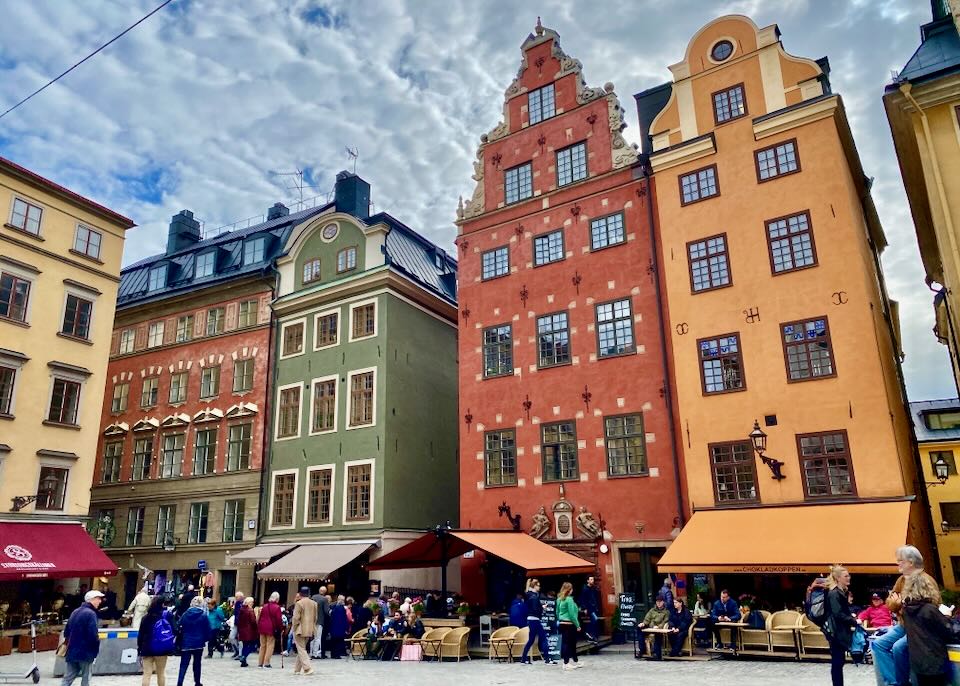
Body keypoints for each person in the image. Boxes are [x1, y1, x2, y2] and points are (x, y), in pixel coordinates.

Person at [874, 545, 939, 686]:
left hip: (917, 628)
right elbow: (890, 603)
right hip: (903, 625)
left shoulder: (926, 580)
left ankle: (903, 682)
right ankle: (893, 682)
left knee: (898, 648)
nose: (898, 563)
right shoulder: (901, 580)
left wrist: (900, 605)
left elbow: (930, 607)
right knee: (878, 644)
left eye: (900, 560)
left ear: (910, 562)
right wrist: (898, 605)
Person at [901, 571, 952, 686]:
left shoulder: (906, 610)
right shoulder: (929, 610)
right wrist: (947, 616)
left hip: (918, 662)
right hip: (935, 662)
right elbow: (948, 632)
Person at [61, 589, 104, 686]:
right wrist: (95, 650)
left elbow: (66, 632)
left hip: (72, 650)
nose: (100, 601)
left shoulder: (75, 611)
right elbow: (93, 635)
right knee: (86, 678)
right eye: (98, 599)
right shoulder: (91, 614)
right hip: (86, 652)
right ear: (91, 600)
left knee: (68, 678)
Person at [823, 565, 857, 686]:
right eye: (846, 576)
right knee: (837, 661)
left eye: (849, 575)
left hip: (838, 631)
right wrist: (853, 620)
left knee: (839, 661)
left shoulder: (840, 592)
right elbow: (837, 614)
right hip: (835, 632)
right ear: (838, 578)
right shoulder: (834, 593)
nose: (849, 577)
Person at [138, 596, 175, 686]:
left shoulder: (145, 618)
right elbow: (174, 630)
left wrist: (139, 648)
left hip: (147, 648)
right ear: (162, 604)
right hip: (161, 648)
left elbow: (141, 635)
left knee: (147, 674)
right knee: (161, 673)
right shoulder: (166, 616)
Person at [175, 596, 210, 686]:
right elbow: (207, 629)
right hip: (198, 642)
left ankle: (180, 682)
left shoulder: (185, 614)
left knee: (183, 664)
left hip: (186, 642)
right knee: (197, 663)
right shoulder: (203, 615)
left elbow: (179, 625)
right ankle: (197, 682)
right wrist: (204, 639)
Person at [520, 578, 555, 665]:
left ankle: (524, 659)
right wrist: (542, 608)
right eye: (538, 585)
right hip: (535, 619)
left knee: (531, 640)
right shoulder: (534, 596)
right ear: (534, 586)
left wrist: (541, 607)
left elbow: (531, 607)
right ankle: (547, 659)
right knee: (543, 638)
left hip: (530, 619)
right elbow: (535, 609)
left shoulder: (528, 594)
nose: (539, 587)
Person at [556, 582, 582, 671]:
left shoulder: (559, 599)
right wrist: (577, 625)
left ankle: (568, 661)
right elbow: (572, 614)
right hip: (569, 624)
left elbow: (557, 612)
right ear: (569, 590)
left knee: (565, 643)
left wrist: (560, 619)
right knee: (569, 643)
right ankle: (566, 663)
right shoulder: (569, 600)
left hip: (562, 623)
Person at [292, 587, 317, 675]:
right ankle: (297, 670)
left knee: (301, 649)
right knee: (301, 648)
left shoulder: (299, 603)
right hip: (309, 629)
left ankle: (307, 668)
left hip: (300, 629)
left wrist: (294, 628)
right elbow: (315, 618)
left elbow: (295, 618)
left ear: (300, 594)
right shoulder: (314, 603)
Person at [636, 596, 670, 660]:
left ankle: (657, 654)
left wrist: (659, 627)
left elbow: (665, 621)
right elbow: (647, 619)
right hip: (650, 627)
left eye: (660, 602)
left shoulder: (666, 612)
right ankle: (642, 649)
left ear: (663, 602)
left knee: (658, 634)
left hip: (659, 629)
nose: (658, 603)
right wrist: (643, 623)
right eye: (657, 602)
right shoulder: (652, 610)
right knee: (639, 629)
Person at [257, 592, 283, 668]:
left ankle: (260, 663)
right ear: (277, 599)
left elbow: (260, 617)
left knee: (262, 646)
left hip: (262, 628)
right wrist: (280, 628)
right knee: (270, 645)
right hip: (271, 628)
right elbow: (279, 620)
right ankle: (266, 662)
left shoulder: (264, 606)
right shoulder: (277, 607)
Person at [236, 597, 258, 667]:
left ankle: (243, 662)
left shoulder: (241, 609)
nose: (253, 603)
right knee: (252, 645)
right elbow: (253, 622)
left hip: (242, 630)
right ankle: (244, 656)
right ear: (249, 602)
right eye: (252, 602)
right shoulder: (250, 610)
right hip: (249, 631)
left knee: (245, 645)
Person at [578, 575, 600, 642]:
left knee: (594, 621)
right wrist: (584, 608)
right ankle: (589, 633)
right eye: (591, 579)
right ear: (587, 581)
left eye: (593, 579)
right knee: (595, 619)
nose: (592, 581)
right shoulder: (585, 589)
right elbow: (583, 599)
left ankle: (592, 635)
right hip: (589, 608)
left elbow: (594, 598)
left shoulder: (593, 588)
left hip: (593, 608)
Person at [311, 586, 330, 659]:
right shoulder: (324, 599)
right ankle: (315, 654)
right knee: (318, 638)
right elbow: (326, 611)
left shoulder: (313, 597)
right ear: (325, 592)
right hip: (320, 621)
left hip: (312, 620)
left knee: (312, 638)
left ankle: (311, 652)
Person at [329, 595, 349, 659]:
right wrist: (346, 627)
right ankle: (337, 654)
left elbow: (331, 617)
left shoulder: (333, 606)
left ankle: (333, 654)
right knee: (338, 641)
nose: (343, 601)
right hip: (339, 627)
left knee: (333, 641)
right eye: (343, 600)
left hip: (333, 626)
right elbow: (344, 619)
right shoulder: (342, 608)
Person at [229, 592, 245, 659]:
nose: (236, 598)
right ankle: (237, 650)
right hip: (236, 623)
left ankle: (240, 654)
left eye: (237, 597)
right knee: (231, 637)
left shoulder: (244, 604)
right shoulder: (237, 603)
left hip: (242, 624)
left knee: (240, 639)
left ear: (241, 597)